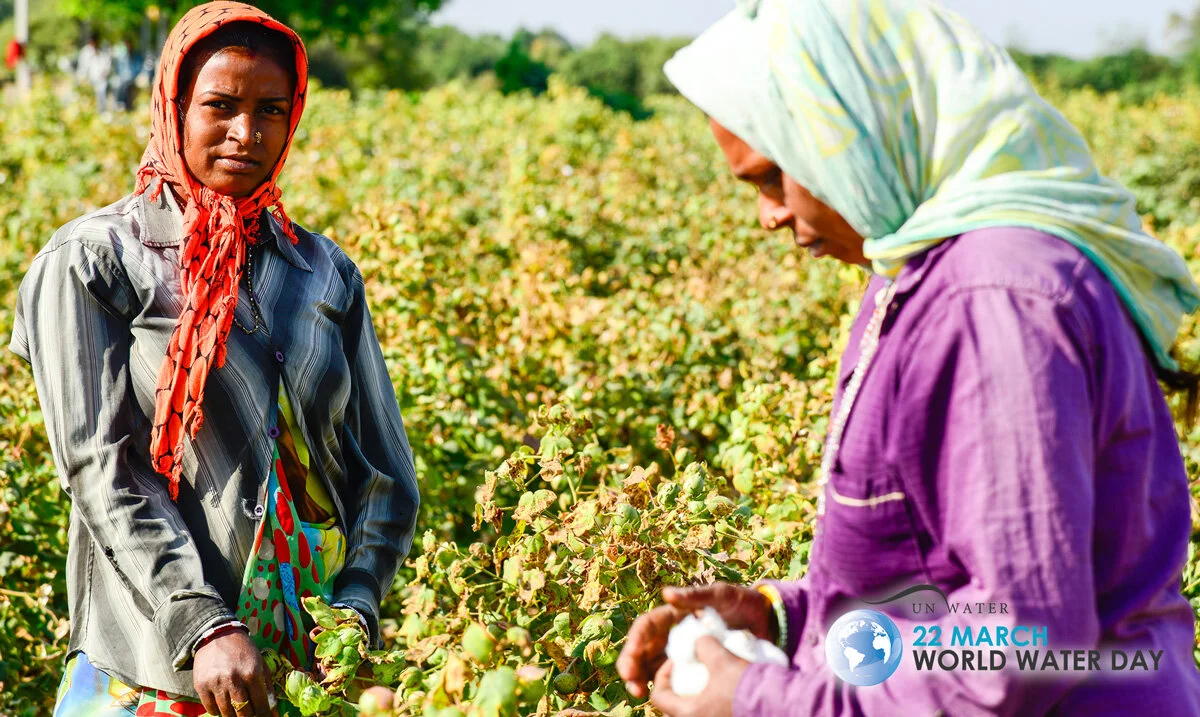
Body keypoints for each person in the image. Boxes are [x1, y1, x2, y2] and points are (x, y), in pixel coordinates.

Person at [616, 0, 1200, 715]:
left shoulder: (994, 298)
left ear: (847, 138)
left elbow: (1020, 646)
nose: (769, 216)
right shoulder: (917, 272)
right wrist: (781, 618)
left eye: (772, 178)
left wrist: (760, 699)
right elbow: (935, 578)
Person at [10, 3, 419, 716]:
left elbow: (385, 471)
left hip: (308, 675)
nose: (246, 133)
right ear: (174, 107)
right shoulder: (94, 259)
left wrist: (356, 604)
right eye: (220, 106)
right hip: (152, 666)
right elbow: (99, 465)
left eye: (271, 110)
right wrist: (202, 621)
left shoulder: (322, 270)